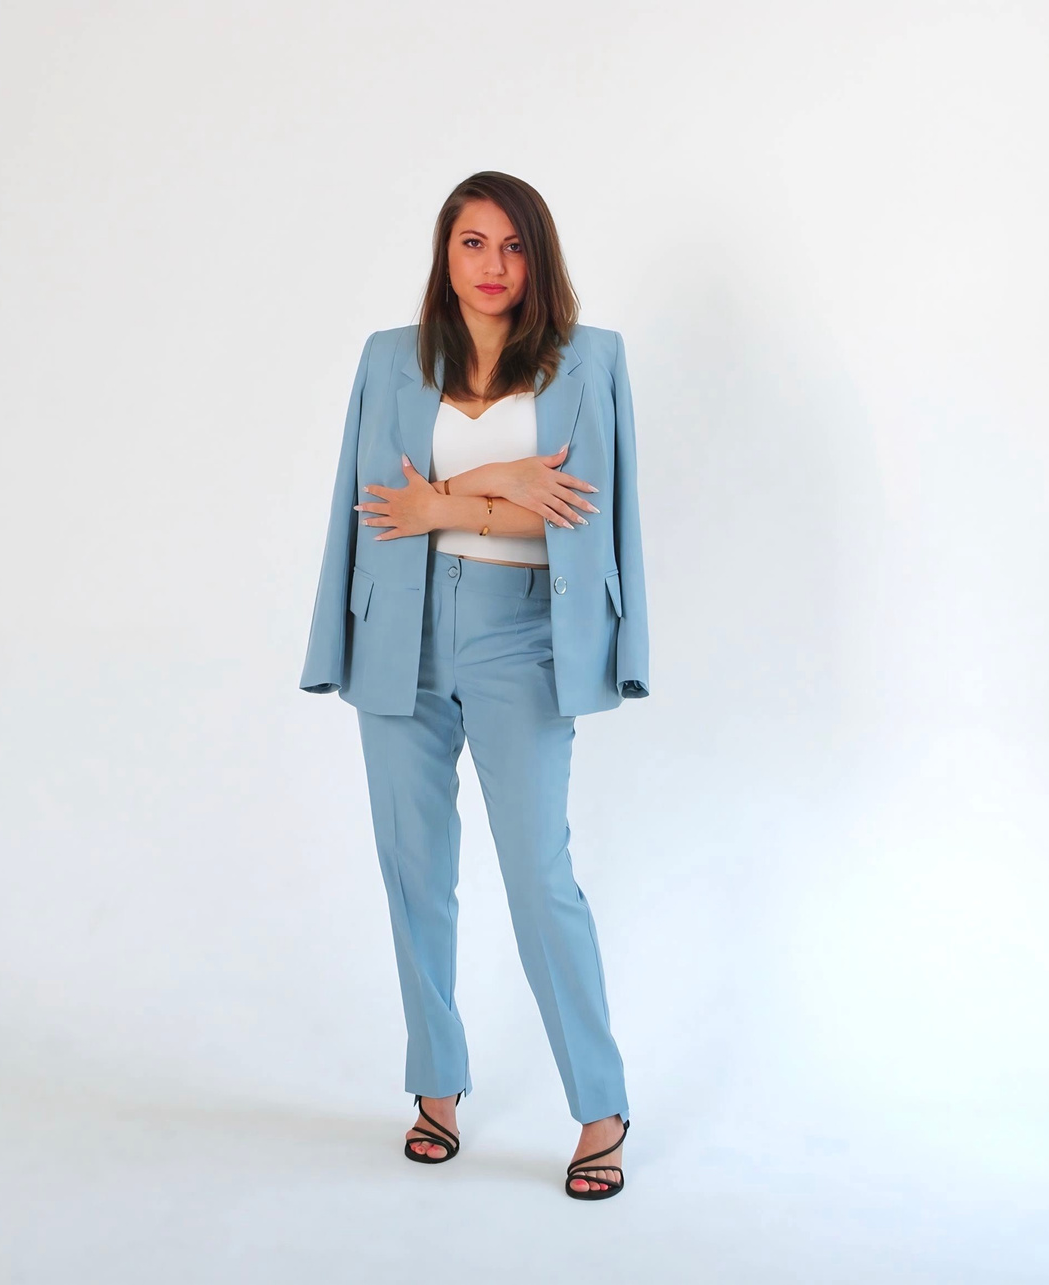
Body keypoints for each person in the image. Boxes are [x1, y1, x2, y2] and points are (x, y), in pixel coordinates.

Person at [298, 170, 651, 1201]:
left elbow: (580, 514)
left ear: (538, 257)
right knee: (414, 872)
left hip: (523, 634)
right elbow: (377, 504)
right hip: (399, 629)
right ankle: (436, 1088)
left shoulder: (590, 360)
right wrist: (501, 482)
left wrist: (450, 498)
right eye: (472, 243)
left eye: (512, 245)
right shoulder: (390, 358)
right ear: (444, 255)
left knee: (540, 876)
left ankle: (600, 1106)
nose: (492, 265)